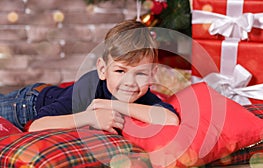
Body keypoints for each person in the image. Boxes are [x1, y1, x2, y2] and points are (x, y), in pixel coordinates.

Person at [0, 20, 179, 133]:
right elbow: (36, 126)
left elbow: (170, 119)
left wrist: (114, 105)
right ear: (103, 69)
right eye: (120, 71)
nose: (130, 83)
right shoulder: (89, 86)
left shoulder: (141, 94)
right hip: (25, 104)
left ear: (152, 75)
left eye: (140, 74)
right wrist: (89, 118)